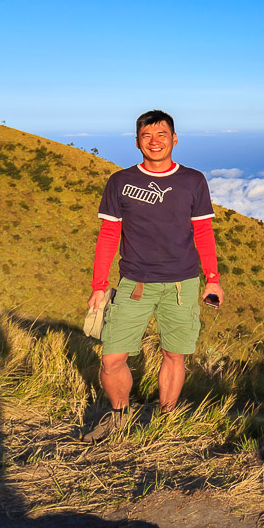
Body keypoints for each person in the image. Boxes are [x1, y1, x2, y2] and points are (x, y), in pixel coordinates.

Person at [82, 110, 224, 442]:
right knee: (112, 358)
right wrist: (99, 286)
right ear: (137, 142)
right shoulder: (120, 182)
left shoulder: (192, 180)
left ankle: (166, 421)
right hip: (135, 283)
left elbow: (203, 233)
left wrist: (212, 278)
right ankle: (119, 418)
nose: (154, 141)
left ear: (174, 139)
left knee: (174, 354)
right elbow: (108, 236)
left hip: (181, 284)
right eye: (147, 135)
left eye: (162, 135)